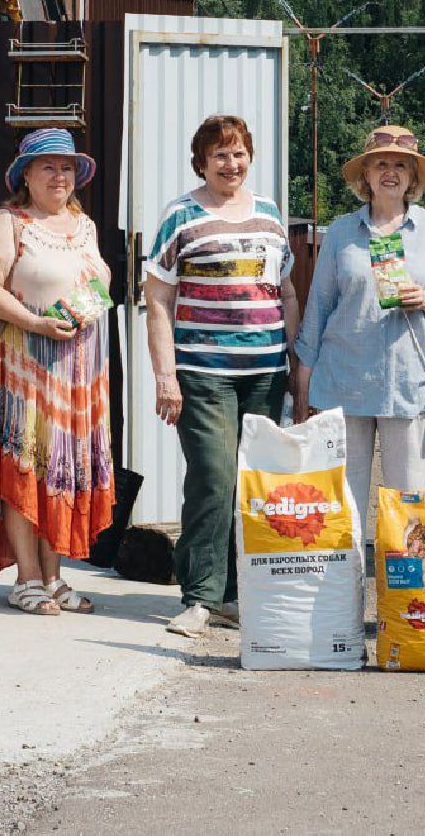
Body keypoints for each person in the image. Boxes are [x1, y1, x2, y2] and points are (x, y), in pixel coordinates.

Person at [145, 115, 301, 638]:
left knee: (252, 485)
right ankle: (200, 597)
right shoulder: (180, 216)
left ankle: (237, 595)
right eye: (219, 156)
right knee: (213, 479)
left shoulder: (270, 216)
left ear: (249, 157)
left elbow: (287, 294)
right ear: (202, 163)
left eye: (237, 154)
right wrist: (165, 375)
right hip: (202, 372)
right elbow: (159, 300)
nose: (230, 164)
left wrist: (295, 364)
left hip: (265, 372)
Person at [0, 127, 113, 614]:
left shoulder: (84, 226)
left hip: (78, 374)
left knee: (63, 472)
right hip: (24, 368)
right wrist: (35, 322)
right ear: (25, 175)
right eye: (47, 166)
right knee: (24, 469)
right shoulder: (10, 223)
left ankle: (54, 577)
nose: (59, 175)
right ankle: (27, 579)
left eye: (67, 167)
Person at [292, 126, 425, 534]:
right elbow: (319, 306)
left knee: (408, 508)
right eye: (381, 164)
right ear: (365, 176)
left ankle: (405, 599)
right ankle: (343, 599)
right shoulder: (340, 232)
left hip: (409, 386)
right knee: (342, 511)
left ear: (413, 178)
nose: (390, 172)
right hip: (344, 383)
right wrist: (303, 377)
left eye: (400, 165)